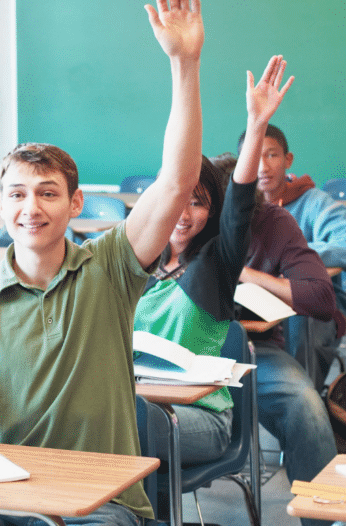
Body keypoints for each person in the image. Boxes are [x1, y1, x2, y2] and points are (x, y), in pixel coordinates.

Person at [0, 0, 205, 525]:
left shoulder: (110, 264)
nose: (31, 208)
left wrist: (184, 64)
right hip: (10, 494)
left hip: (104, 503)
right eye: (17, 195)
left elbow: (177, 181)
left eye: (48, 194)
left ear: (75, 205)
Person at [134, 54, 292, 468]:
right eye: (177, 200)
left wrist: (256, 124)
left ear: (212, 212)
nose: (184, 215)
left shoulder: (214, 264)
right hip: (139, 405)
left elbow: (240, 203)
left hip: (199, 419)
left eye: (199, 203)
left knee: (125, 422)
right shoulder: (137, 263)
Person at [211, 153, 336, 526]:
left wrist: (249, 275)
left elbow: (321, 298)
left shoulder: (273, 221)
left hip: (252, 351)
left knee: (306, 406)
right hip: (184, 351)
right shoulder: (186, 218)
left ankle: (322, 520)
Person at [242, 123, 346, 387]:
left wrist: (295, 258)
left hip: (313, 308)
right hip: (254, 303)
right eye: (255, 157)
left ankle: (304, 393)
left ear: (288, 159)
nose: (263, 167)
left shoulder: (314, 202)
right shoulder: (239, 211)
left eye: (272, 155)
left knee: (301, 312)